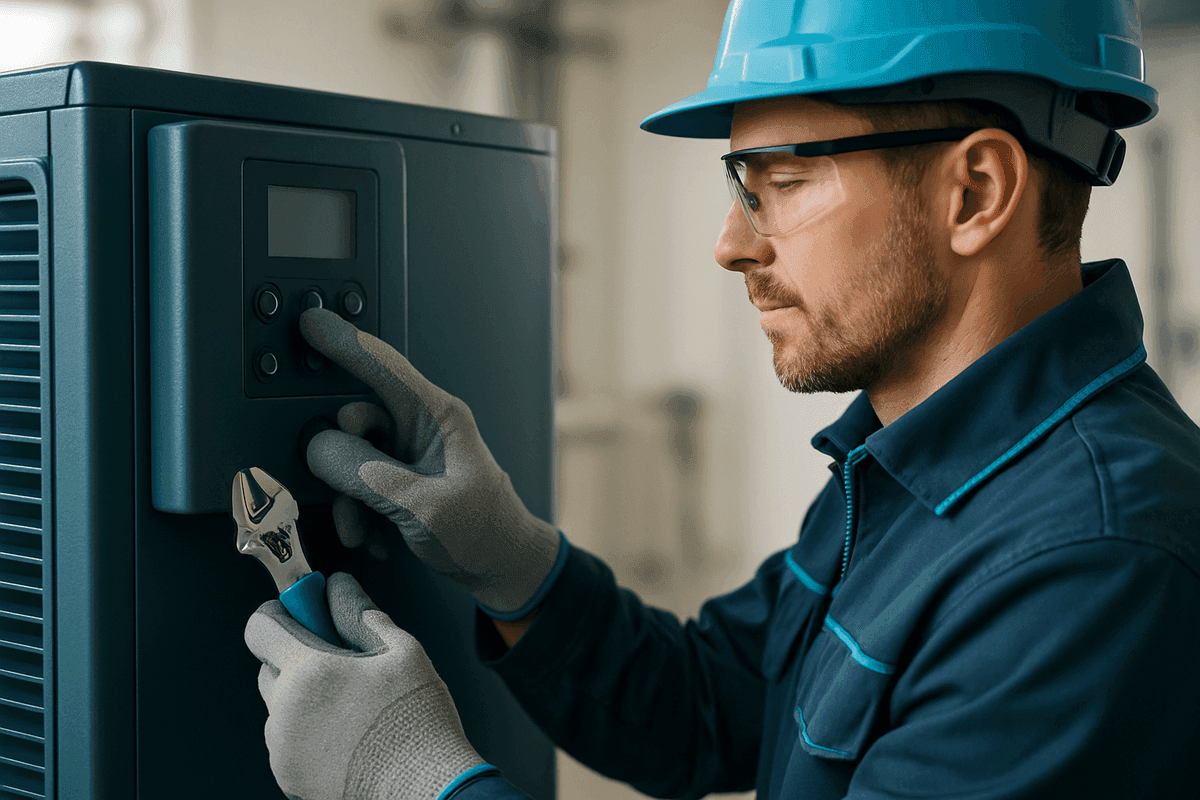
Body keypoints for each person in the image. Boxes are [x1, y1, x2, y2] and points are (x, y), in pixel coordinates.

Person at [244, 0, 1200, 798]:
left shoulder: (1091, 563)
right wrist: (510, 560)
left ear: (976, 191)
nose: (731, 245)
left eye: (781, 181)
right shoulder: (906, 464)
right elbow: (707, 706)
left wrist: (413, 780)